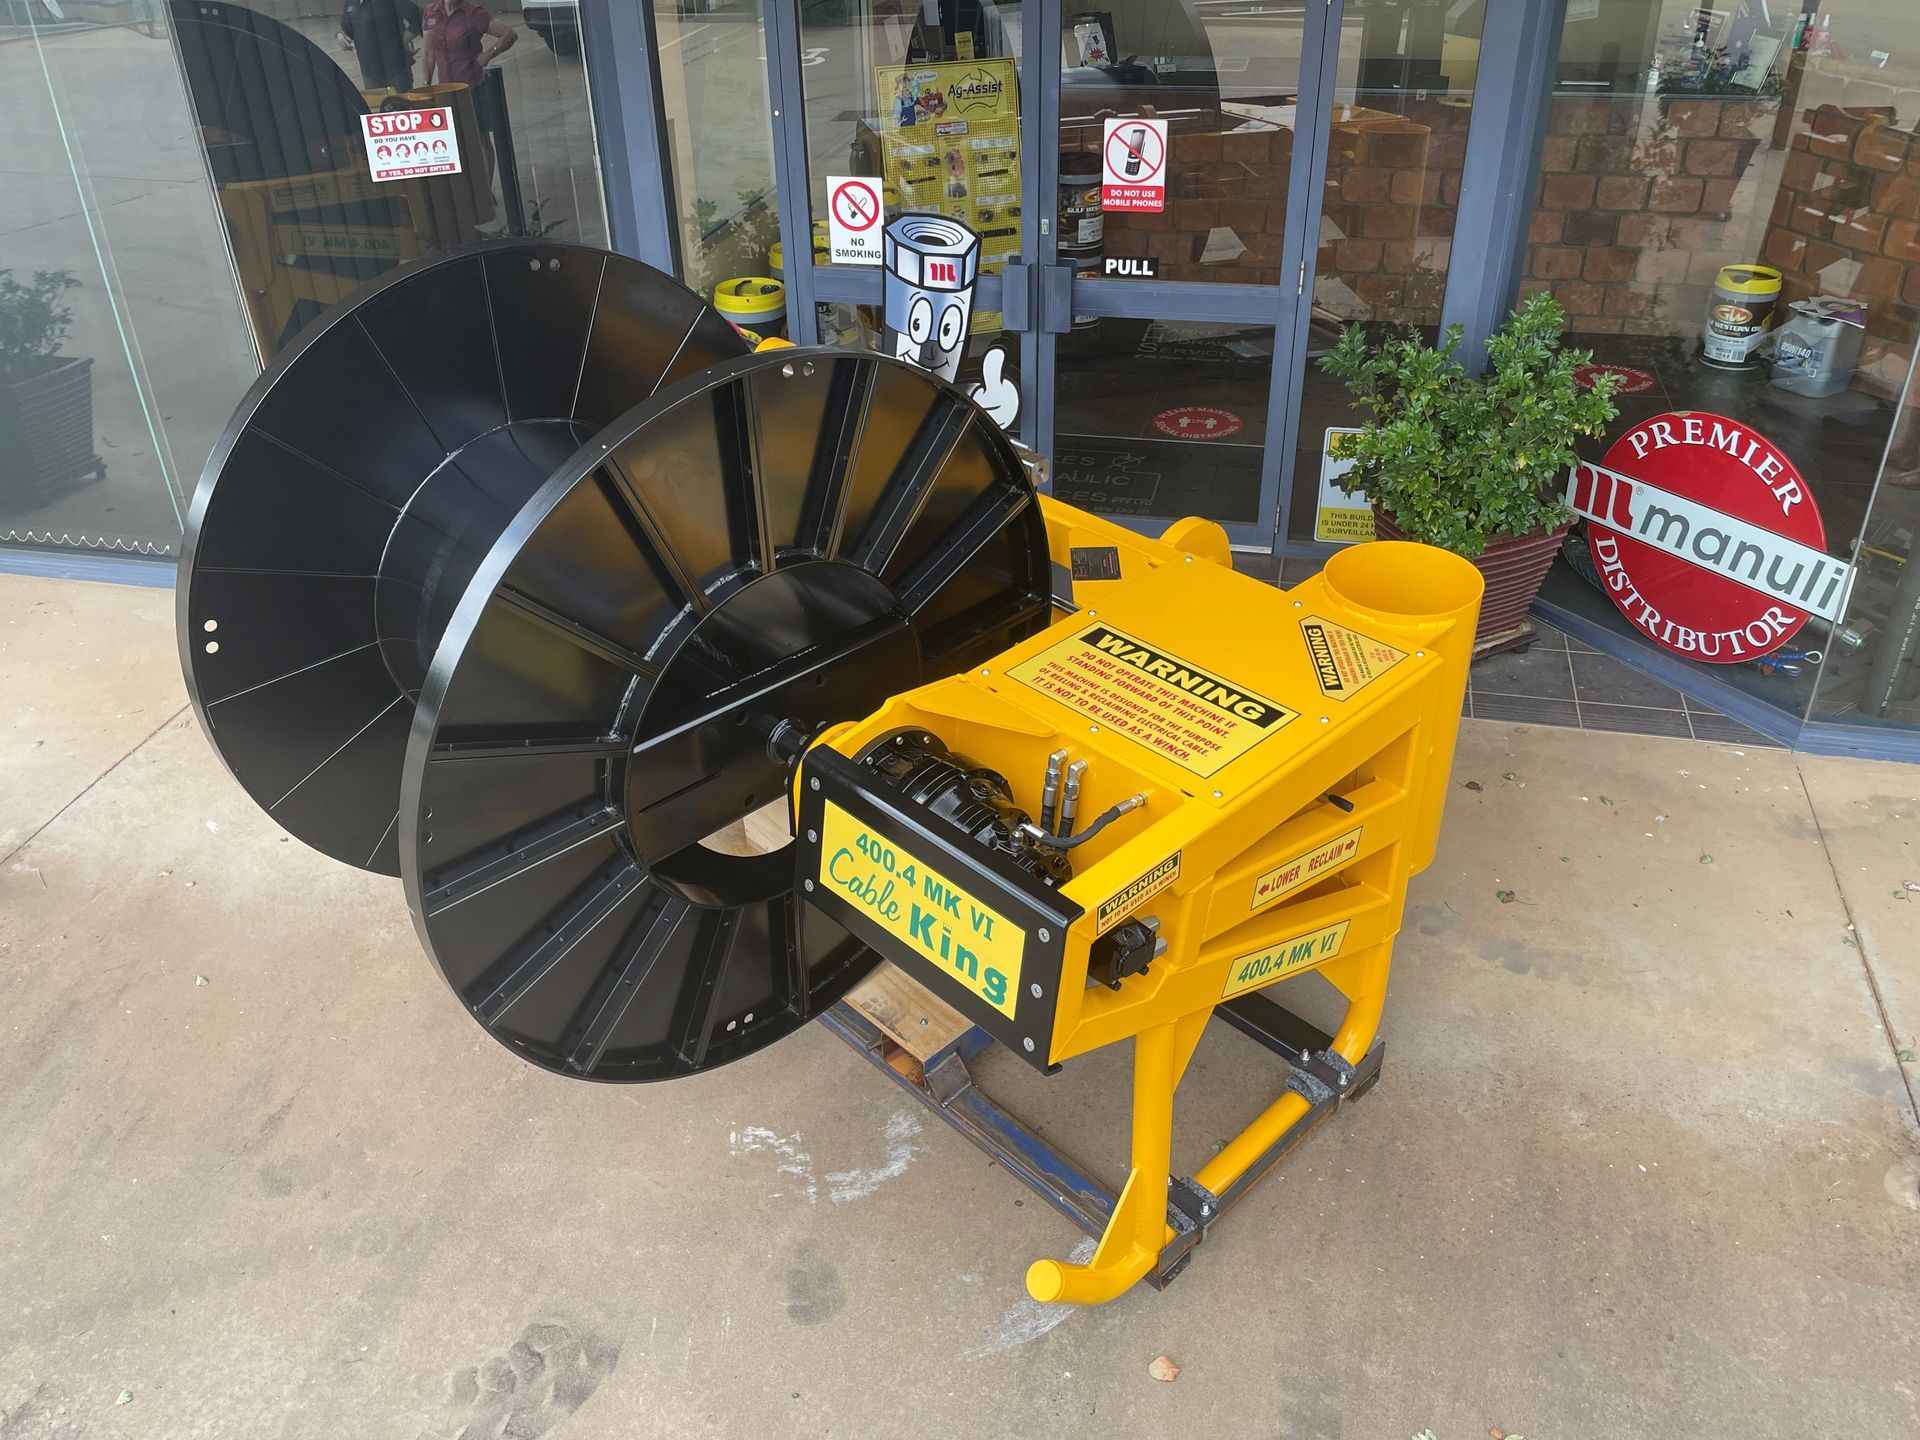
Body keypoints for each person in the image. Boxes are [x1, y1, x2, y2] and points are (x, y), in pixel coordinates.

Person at [421, 0, 515, 91]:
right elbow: (429, 53)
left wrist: (487, 55)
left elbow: (509, 35)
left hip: (471, 88)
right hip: (445, 89)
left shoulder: (474, 14)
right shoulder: (430, 12)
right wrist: (426, 84)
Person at [337, 0, 421, 93]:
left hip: (396, 69)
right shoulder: (351, 2)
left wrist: (406, 39)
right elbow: (346, 27)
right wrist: (340, 34)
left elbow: (418, 16)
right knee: (377, 105)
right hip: (369, 72)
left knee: (401, 104)